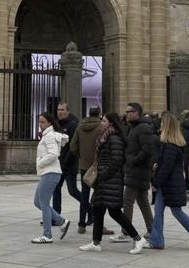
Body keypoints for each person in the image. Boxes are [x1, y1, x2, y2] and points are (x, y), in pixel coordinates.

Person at [79, 112, 148, 254]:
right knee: (98, 209)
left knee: (115, 212)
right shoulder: (106, 137)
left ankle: (138, 238)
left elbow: (116, 161)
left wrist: (102, 175)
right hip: (105, 181)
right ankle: (95, 242)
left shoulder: (114, 138)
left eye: (103, 120)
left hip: (110, 180)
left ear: (110, 123)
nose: (101, 122)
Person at [149, 112, 189, 250]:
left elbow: (167, 167)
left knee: (176, 212)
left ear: (167, 126)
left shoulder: (170, 144)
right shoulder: (170, 143)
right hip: (169, 183)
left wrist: (156, 183)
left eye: (163, 123)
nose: (161, 125)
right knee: (159, 212)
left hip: (169, 184)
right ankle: (156, 240)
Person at [110, 102, 157, 243]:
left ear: (137, 113)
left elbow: (147, 149)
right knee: (143, 202)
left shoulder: (143, 128)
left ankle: (126, 231)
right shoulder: (133, 127)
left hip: (138, 171)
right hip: (135, 170)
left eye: (130, 111)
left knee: (127, 202)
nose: (127, 113)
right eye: (126, 111)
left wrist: (133, 160)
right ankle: (152, 229)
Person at [70, 106, 111, 235]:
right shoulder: (102, 128)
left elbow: (73, 146)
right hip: (98, 166)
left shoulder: (80, 127)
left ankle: (82, 224)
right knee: (99, 196)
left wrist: (82, 156)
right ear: (99, 113)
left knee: (84, 195)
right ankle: (99, 225)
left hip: (84, 166)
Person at [31, 112, 71, 244]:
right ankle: (62, 221)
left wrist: (40, 163)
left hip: (50, 172)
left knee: (43, 203)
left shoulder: (49, 136)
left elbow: (54, 154)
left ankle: (47, 235)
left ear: (49, 123)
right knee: (38, 202)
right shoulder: (48, 135)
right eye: (39, 122)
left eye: (42, 122)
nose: (40, 124)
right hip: (48, 172)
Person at [52, 103, 82, 219]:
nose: (60, 112)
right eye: (58, 109)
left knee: (72, 191)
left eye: (62, 110)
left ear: (68, 111)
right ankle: (56, 217)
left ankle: (90, 210)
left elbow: (73, 146)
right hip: (58, 163)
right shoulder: (57, 125)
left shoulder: (73, 125)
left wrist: (66, 161)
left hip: (69, 164)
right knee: (56, 189)